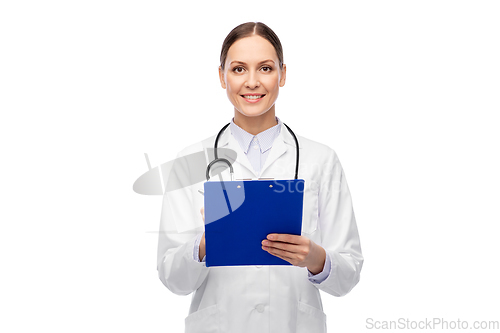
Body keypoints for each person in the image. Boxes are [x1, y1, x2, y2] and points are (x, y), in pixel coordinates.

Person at [157, 22, 363, 333]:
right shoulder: (190, 162)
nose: (252, 82)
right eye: (238, 69)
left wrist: (315, 257)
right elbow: (173, 279)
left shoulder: (321, 159)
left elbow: (347, 275)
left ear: (282, 74)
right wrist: (205, 243)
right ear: (221, 76)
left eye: (265, 68)